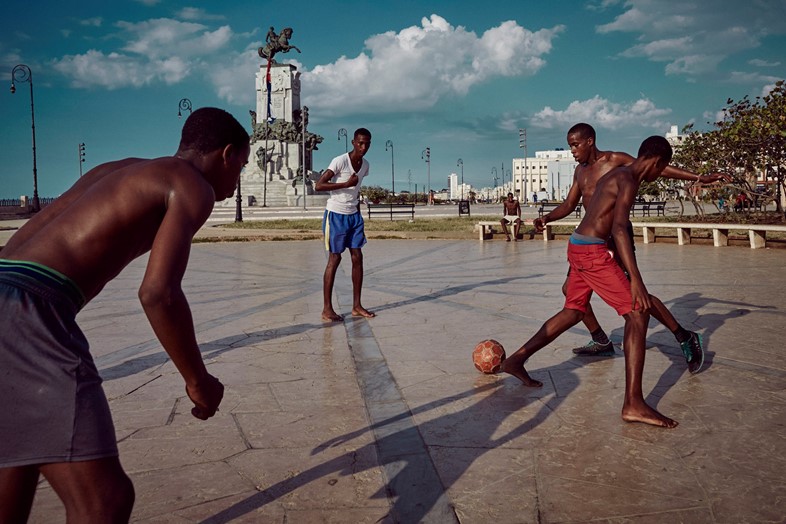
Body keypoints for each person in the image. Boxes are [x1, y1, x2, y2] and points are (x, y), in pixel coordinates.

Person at [0, 107, 248, 522]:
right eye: (240, 166)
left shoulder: (117, 169)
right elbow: (158, 293)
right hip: (35, 310)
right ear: (226, 154)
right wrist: (197, 380)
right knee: (105, 501)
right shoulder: (192, 186)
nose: (237, 180)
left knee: (17, 463)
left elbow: (20, 244)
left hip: (5, 287)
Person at [503, 136, 678, 428]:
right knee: (637, 313)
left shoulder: (619, 173)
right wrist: (636, 279)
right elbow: (620, 228)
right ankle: (633, 403)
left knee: (573, 310)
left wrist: (700, 176)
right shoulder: (629, 178)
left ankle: (516, 360)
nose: (659, 175)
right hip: (592, 251)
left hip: (577, 245)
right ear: (657, 162)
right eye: (662, 169)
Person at [535, 123, 729, 373]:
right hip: (593, 243)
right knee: (570, 291)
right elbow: (569, 204)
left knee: (638, 297)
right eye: (570, 145)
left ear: (590, 141)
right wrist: (547, 218)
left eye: (575, 145)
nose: (572, 150)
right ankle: (601, 339)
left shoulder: (615, 160)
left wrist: (700, 178)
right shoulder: (579, 172)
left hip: (617, 239)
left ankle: (684, 336)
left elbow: (656, 166)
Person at [315, 128, 375, 322]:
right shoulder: (340, 161)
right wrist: (345, 184)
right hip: (336, 215)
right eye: (360, 143)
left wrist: (357, 210)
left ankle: (357, 306)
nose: (363, 147)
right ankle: (327, 309)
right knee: (335, 259)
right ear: (353, 142)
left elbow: (355, 190)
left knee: (358, 256)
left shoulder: (365, 165)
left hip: (353, 215)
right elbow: (319, 185)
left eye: (366, 143)